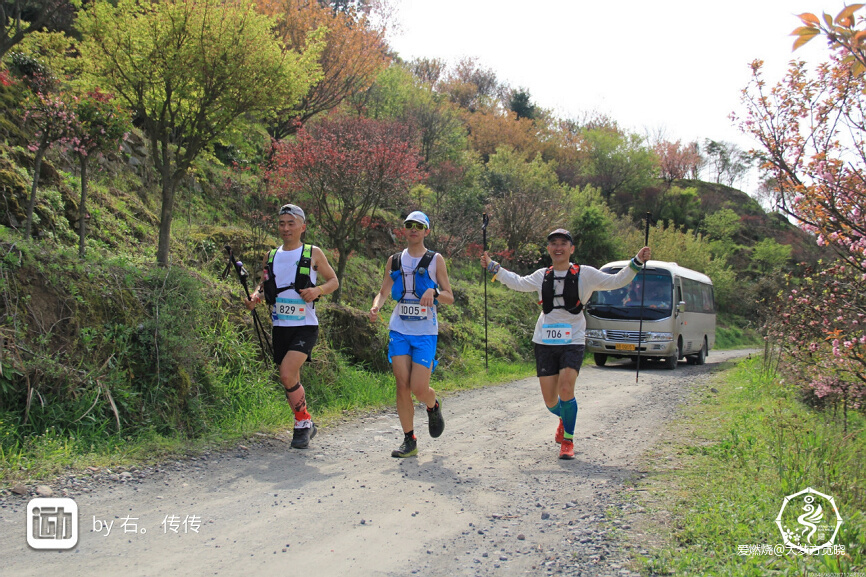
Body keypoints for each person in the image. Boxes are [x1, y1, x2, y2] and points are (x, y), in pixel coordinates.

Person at [481, 229, 651, 460]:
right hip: (545, 341)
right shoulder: (542, 275)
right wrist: (493, 267)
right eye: (554, 243)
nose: (558, 248)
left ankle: (568, 440)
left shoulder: (586, 274)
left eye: (563, 243)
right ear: (548, 249)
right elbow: (517, 282)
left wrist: (637, 261)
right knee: (550, 401)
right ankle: (564, 417)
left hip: (573, 340)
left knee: (566, 390)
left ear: (571, 249)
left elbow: (616, 281)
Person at [246, 204, 339, 449]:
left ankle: (302, 423)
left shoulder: (312, 253)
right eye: (281, 223)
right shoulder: (271, 255)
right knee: (291, 378)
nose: (286, 228)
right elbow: (263, 284)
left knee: (286, 373)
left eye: (291, 223)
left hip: (305, 325)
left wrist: (317, 290)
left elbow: (333, 281)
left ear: (302, 227)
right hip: (280, 325)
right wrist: (255, 297)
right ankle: (304, 422)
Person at [369, 211, 454, 458]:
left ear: (427, 231)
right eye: (409, 225)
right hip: (399, 329)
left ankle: (432, 404)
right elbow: (384, 291)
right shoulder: (395, 260)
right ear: (404, 230)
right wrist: (376, 306)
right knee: (402, 384)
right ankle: (409, 440)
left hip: (425, 332)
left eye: (419, 226)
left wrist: (434, 293)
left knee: (419, 388)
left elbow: (449, 296)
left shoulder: (435, 260)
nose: (413, 229)